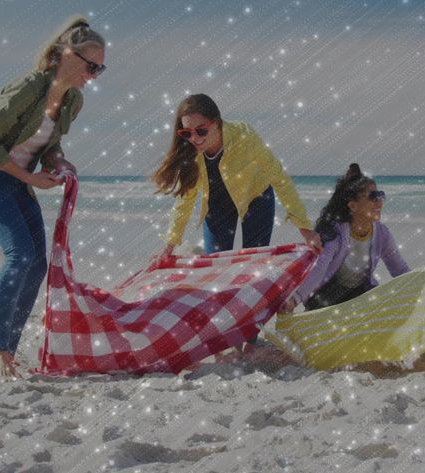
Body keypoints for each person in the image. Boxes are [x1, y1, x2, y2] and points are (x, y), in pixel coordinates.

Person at [0, 16, 106, 379]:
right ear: (66, 55)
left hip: (18, 182)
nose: (94, 75)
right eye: (91, 66)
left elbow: (50, 143)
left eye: (101, 68)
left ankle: (9, 353)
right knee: (19, 255)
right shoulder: (29, 86)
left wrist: (58, 161)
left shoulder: (73, 101)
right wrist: (29, 177)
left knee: (38, 264)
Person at [152, 93, 320, 260]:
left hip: (256, 199)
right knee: (215, 263)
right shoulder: (190, 153)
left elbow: (279, 179)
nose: (194, 138)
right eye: (187, 133)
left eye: (201, 130)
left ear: (216, 123)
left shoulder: (244, 136)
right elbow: (184, 201)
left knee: (253, 262)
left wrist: (305, 229)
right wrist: (169, 246)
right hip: (216, 207)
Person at [279, 163, 409, 312]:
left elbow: (399, 269)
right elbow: (318, 270)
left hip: (358, 294)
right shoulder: (335, 235)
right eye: (373, 197)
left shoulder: (381, 234)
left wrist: (420, 285)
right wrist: (294, 300)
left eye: (380, 195)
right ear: (353, 206)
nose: (379, 201)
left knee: (382, 304)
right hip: (325, 296)